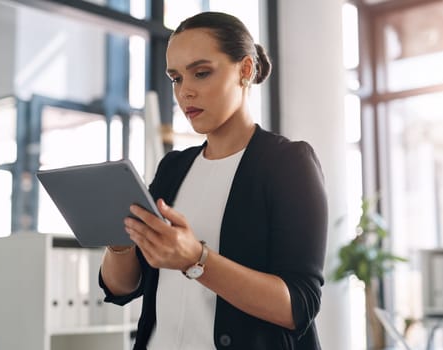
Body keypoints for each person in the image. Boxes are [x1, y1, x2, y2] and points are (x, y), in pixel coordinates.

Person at [99, 11, 328, 350]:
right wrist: (120, 243)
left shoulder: (288, 163)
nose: (184, 92)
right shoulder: (173, 168)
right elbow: (123, 287)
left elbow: (298, 305)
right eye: (176, 78)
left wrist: (196, 260)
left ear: (245, 70)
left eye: (201, 73)